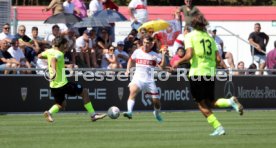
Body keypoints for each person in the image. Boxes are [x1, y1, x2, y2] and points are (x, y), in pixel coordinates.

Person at [173, 14, 243, 136]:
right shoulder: (210, 38)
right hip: (210, 73)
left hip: (197, 73)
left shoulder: (190, 36)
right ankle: (229, 102)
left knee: (201, 104)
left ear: (193, 25)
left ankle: (218, 127)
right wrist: (225, 68)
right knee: (210, 102)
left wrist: (178, 61)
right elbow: (217, 58)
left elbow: (189, 55)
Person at [38, 36, 106, 122]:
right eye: (65, 45)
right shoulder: (59, 54)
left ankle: (49, 112)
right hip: (63, 84)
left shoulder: (48, 51)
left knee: (61, 104)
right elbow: (53, 60)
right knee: (84, 92)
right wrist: (54, 71)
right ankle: (93, 115)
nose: (65, 47)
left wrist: (62, 64)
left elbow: (39, 55)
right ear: (61, 44)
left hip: (53, 85)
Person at [123, 35, 166, 122]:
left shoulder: (155, 55)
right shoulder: (137, 52)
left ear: (151, 44)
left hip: (149, 81)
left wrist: (163, 55)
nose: (146, 45)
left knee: (156, 103)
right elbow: (131, 60)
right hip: (137, 78)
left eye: (148, 43)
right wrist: (127, 70)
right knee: (132, 92)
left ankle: (156, 113)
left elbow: (162, 67)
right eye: (145, 42)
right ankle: (129, 112)